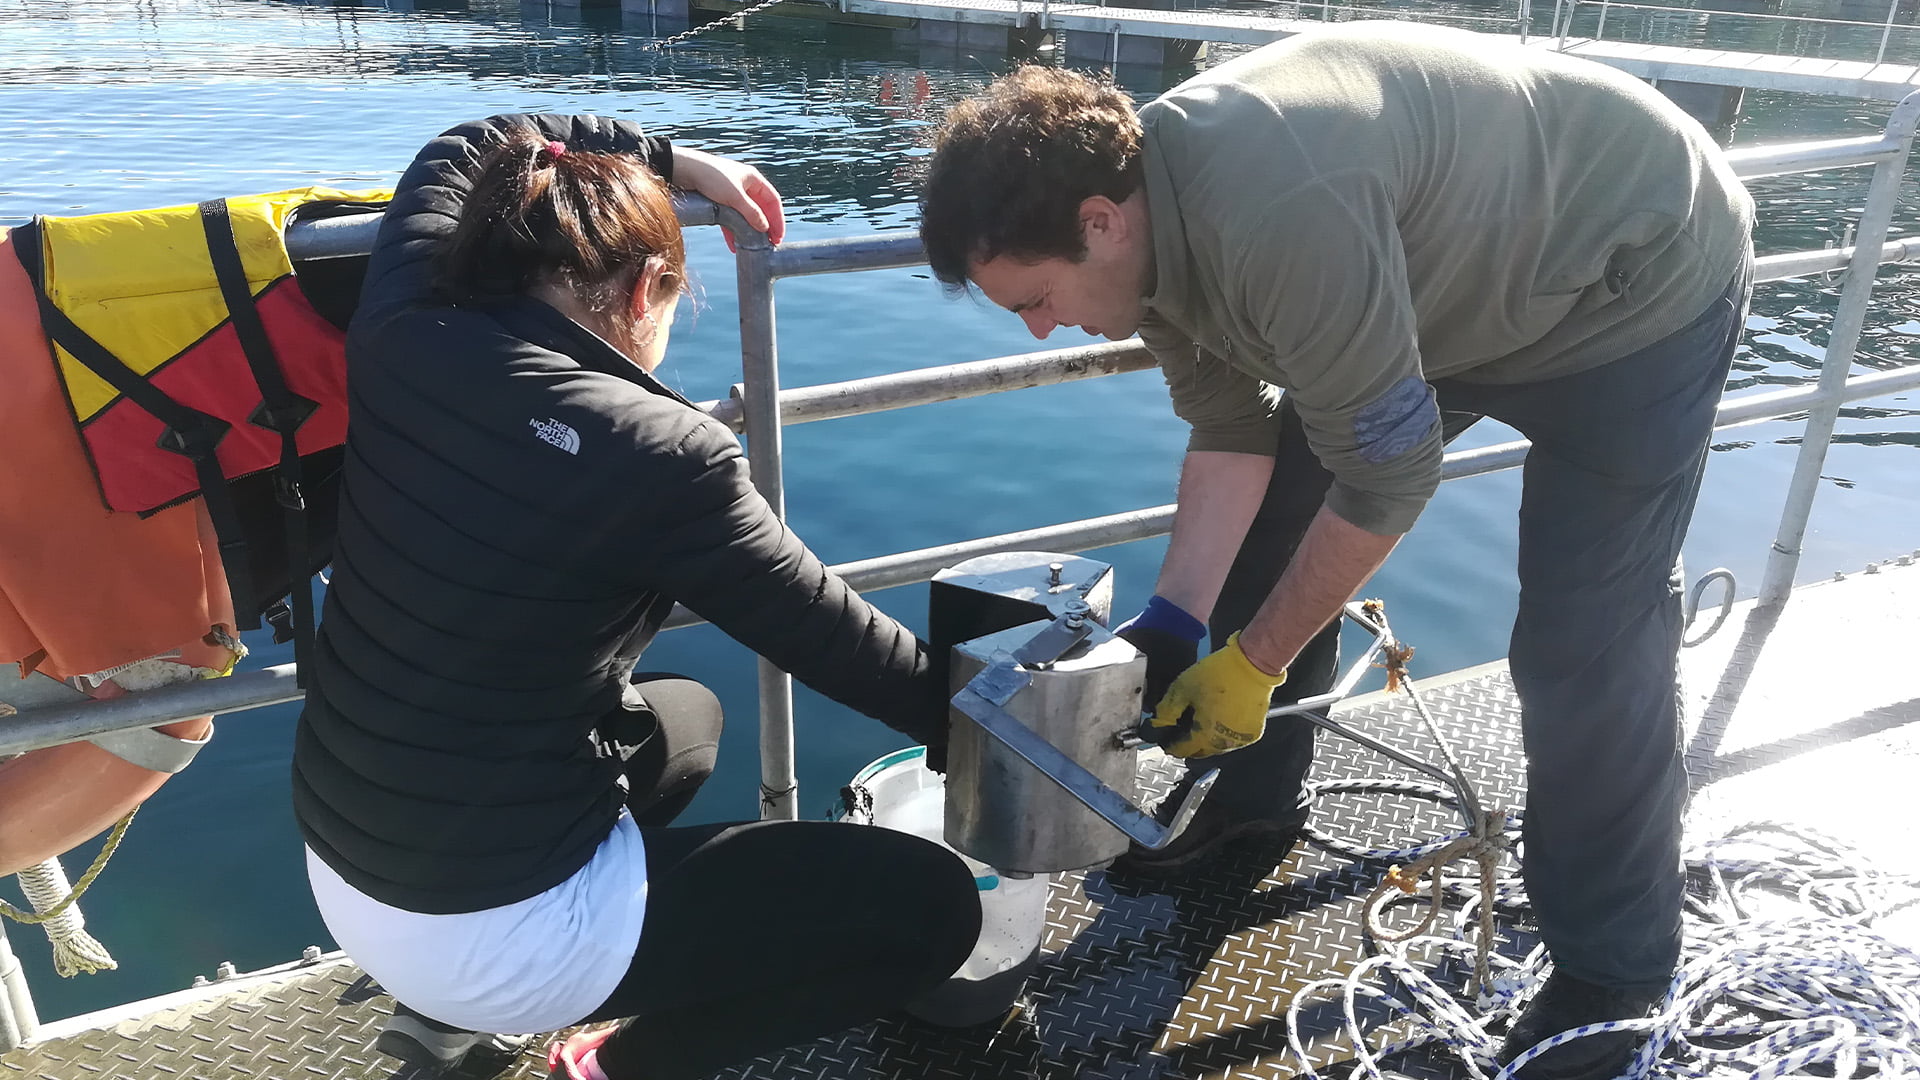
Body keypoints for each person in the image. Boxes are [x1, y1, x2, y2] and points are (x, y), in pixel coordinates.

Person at [918, 24, 1753, 1080]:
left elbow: (1390, 478)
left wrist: (1256, 662)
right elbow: (1233, 436)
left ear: (1099, 223)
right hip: (1440, 293)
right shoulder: (1144, 248)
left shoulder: (1271, 209)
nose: (1038, 331)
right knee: (1281, 524)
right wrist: (1175, 626)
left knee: (1586, 638)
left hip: (1635, 279)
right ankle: (1249, 804)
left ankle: (1614, 971)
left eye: (1035, 301)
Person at [292, 114, 981, 1080]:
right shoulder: (661, 452)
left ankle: (443, 1018)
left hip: (345, 867)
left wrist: (666, 160)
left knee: (683, 720)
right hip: (508, 935)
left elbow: (469, 140)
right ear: (646, 288)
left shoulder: (398, 326)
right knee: (935, 912)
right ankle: (622, 1066)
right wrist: (1029, 734)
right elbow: (850, 648)